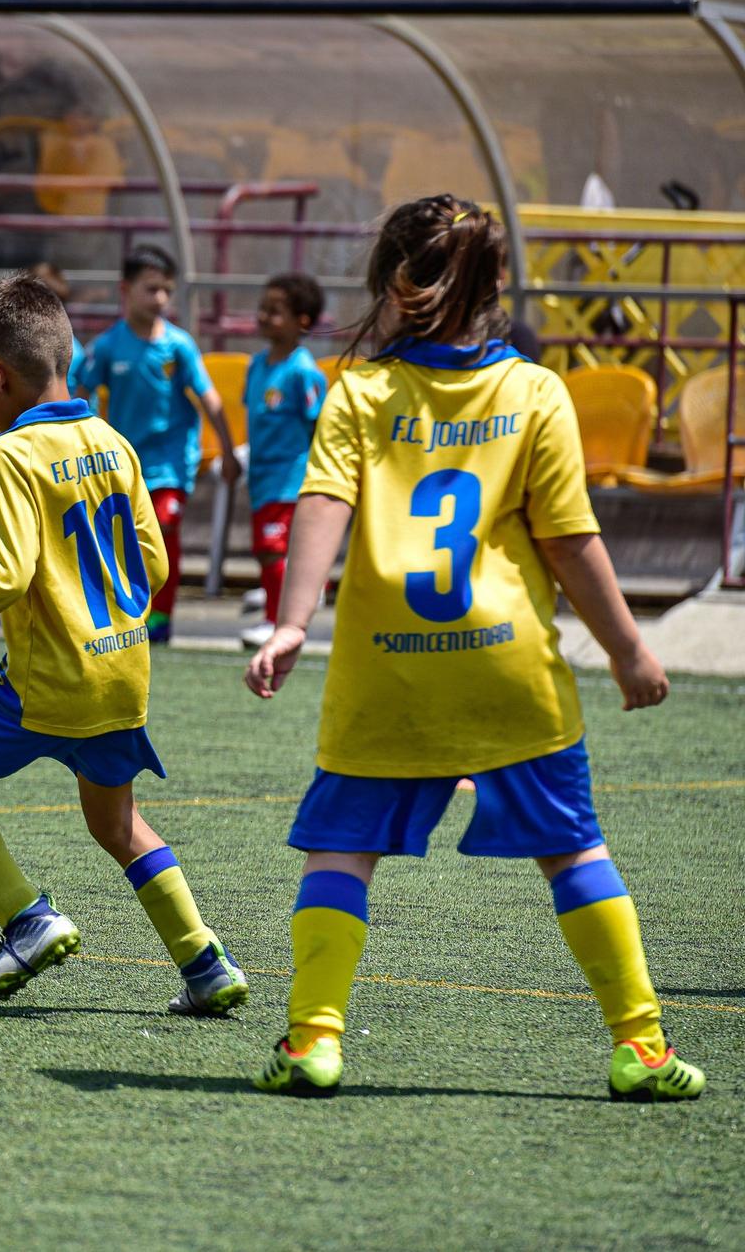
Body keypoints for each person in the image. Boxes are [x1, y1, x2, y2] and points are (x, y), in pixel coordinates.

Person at [244, 195, 702, 1102]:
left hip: (387, 672)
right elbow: (570, 540)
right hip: (508, 669)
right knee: (573, 848)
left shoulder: (362, 393)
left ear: (389, 280)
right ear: (497, 283)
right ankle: (641, 1048)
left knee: (339, 850)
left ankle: (313, 1040)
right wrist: (627, 650)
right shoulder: (536, 390)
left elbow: (322, 506)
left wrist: (294, 620)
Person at [0, 274, 248, 1015]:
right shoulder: (114, 442)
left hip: (47, 681)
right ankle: (205, 961)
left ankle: (27, 918)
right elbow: (154, 565)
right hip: (121, 669)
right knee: (116, 825)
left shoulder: (10, 453)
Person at [68, 245, 239, 644]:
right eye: (151, 289)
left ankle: (161, 616)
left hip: (171, 464)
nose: (160, 298)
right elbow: (80, 392)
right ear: (125, 290)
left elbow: (208, 397)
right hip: (125, 465)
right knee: (123, 537)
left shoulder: (178, 345)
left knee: (163, 527)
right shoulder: (109, 346)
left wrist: (228, 450)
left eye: (166, 290)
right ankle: (129, 611)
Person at [238, 273, 328, 649]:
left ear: (301, 321)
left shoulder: (304, 372)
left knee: (273, 546)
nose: (263, 316)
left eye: (274, 311)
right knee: (265, 548)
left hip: (289, 476)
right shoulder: (257, 364)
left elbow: (317, 427)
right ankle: (291, 592)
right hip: (262, 475)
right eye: (262, 308)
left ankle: (276, 622)